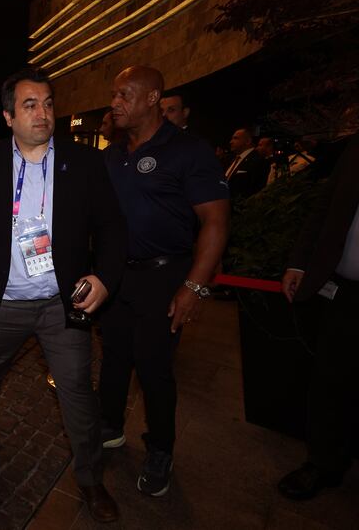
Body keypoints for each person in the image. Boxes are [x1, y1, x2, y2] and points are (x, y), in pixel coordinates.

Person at [0, 68, 127, 523]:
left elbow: (112, 227)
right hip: (5, 299)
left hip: (61, 302)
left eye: (49, 103)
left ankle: (90, 479)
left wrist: (105, 279)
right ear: (9, 116)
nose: (43, 113)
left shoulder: (85, 164)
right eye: (30, 105)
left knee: (76, 388)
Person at [99, 66, 230, 497]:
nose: (115, 102)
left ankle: (160, 450)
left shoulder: (188, 151)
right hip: (116, 277)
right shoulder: (113, 153)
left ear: (153, 98)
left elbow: (214, 221)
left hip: (165, 275)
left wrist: (194, 287)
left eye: (124, 95)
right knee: (114, 358)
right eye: (114, 95)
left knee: (154, 368)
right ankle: (109, 428)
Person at [278, 134, 359, 501]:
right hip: (345, 290)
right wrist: (300, 261)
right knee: (331, 379)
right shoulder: (357, 146)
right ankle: (324, 462)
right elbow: (326, 205)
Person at [226, 127, 269, 199]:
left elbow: (256, 191)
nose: (231, 142)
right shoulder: (233, 159)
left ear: (248, 141)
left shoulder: (257, 161)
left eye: (235, 138)